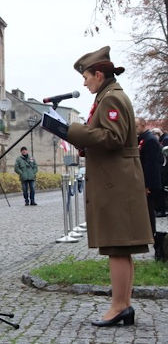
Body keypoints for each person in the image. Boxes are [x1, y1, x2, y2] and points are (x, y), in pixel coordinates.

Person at [64, 46, 153, 327]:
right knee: (120, 248)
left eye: (86, 76)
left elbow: (112, 137)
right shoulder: (109, 96)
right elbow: (109, 137)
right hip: (119, 181)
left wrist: (72, 130)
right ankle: (123, 305)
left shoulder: (110, 99)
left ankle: (118, 306)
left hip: (117, 183)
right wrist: (85, 145)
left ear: (99, 74)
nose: (84, 82)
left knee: (117, 247)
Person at [138, 124, 163, 245]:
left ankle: (151, 234)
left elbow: (151, 165)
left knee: (149, 209)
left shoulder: (150, 140)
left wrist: (147, 185)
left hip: (150, 182)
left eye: (136, 125)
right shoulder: (144, 138)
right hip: (146, 181)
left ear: (142, 125)